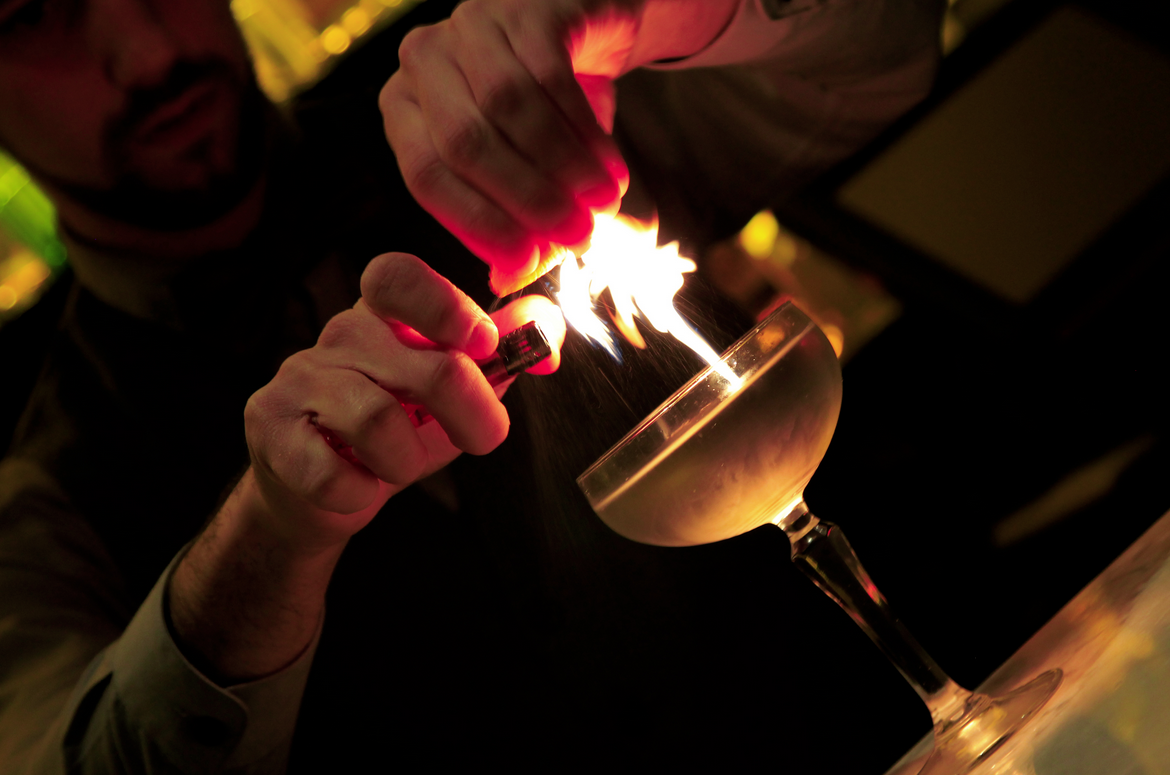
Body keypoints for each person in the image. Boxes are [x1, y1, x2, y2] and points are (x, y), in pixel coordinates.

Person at [0, 0, 944, 771]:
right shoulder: (47, 490)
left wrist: (660, 12)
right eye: (32, 15)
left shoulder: (513, 114)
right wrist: (273, 527)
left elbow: (890, 53)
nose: (145, 49)